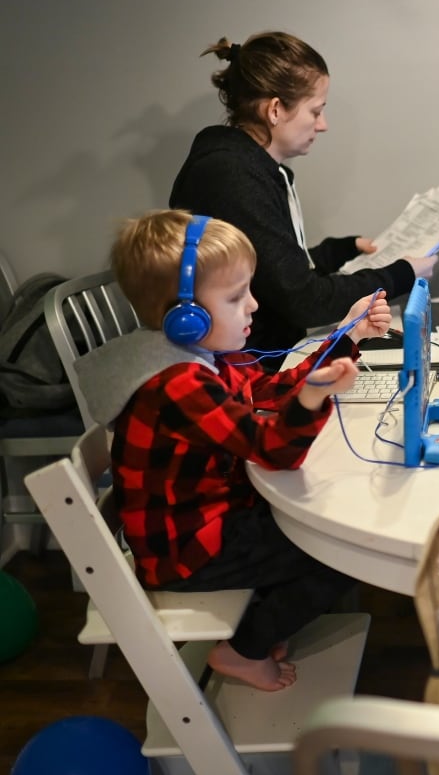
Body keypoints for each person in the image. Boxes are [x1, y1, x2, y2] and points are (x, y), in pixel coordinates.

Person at [74, 209, 392, 691]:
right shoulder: (178, 382)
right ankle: (243, 652)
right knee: (339, 554)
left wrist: (346, 338)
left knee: (320, 533)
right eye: (236, 296)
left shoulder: (199, 356)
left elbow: (266, 390)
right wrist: (312, 399)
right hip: (190, 550)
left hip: (210, 521)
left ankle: (263, 628)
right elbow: (275, 450)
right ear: (187, 317)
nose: (254, 306)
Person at [170, 30, 435, 365]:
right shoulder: (231, 175)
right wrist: (401, 274)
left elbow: (271, 270)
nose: (322, 125)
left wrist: (338, 250)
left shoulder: (248, 167)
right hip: (253, 369)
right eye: (315, 111)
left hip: (267, 351)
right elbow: (303, 300)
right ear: (276, 110)